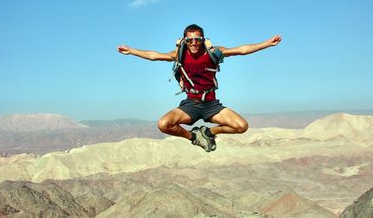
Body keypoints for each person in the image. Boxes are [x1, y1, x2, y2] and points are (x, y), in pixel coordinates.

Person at [118, 24, 281, 152]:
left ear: (203, 39)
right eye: (189, 40)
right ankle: (195, 137)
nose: (194, 43)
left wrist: (267, 44)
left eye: (197, 39)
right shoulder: (180, 55)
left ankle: (209, 133)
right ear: (184, 41)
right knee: (163, 124)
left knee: (241, 126)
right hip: (190, 105)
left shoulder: (213, 52)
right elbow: (153, 56)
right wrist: (131, 51)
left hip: (211, 105)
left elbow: (241, 50)